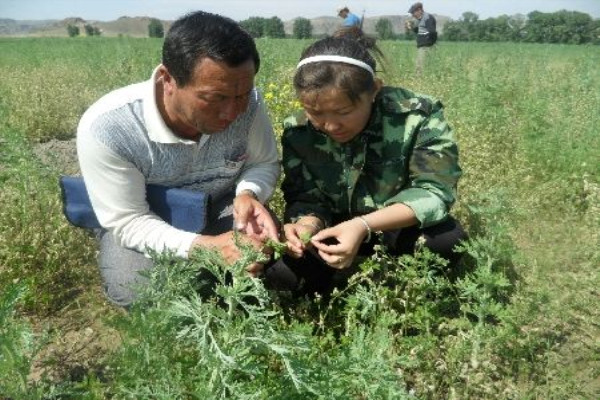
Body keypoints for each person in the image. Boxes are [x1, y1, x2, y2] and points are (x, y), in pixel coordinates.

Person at [77, 11, 280, 307]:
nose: (232, 112)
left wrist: (249, 193)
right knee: (137, 289)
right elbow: (130, 221)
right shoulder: (109, 127)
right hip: (147, 216)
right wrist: (207, 249)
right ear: (167, 79)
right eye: (215, 98)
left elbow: (262, 163)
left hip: (220, 206)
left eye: (242, 95)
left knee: (273, 264)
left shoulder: (249, 104)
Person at [264, 30, 466, 297]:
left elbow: (434, 191)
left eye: (343, 112)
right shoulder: (298, 131)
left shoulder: (417, 115)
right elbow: (305, 197)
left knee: (445, 241)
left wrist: (363, 226)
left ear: (375, 90)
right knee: (282, 276)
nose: (330, 125)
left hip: (392, 224)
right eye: (315, 113)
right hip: (332, 228)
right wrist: (306, 226)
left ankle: (398, 288)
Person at [405, 2, 437, 75]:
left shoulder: (428, 18)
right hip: (422, 46)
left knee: (421, 67)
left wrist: (428, 44)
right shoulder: (420, 19)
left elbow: (432, 32)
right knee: (419, 65)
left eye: (413, 12)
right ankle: (419, 81)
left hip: (426, 47)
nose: (413, 15)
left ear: (419, 10)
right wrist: (411, 28)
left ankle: (419, 81)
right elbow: (420, 31)